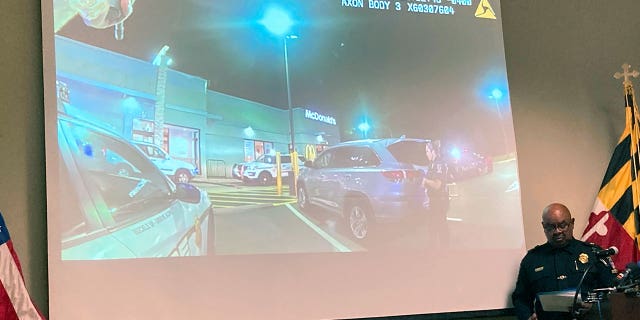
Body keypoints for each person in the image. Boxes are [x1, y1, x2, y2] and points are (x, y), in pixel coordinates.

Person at [511, 203, 617, 320]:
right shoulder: (532, 259)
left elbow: (613, 293)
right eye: (550, 227)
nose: (557, 231)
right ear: (543, 226)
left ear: (572, 223)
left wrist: (593, 307)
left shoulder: (594, 254)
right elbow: (520, 298)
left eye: (562, 225)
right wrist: (527, 317)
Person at [423, 141, 450, 247]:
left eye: (427, 151)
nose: (426, 154)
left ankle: (444, 250)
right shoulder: (432, 164)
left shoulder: (439, 164)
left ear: (433, 151)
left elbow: (437, 185)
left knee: (440, 225)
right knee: (433, 226)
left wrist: (426, 181)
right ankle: (435, 249)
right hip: (434, 200)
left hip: (440, 200)